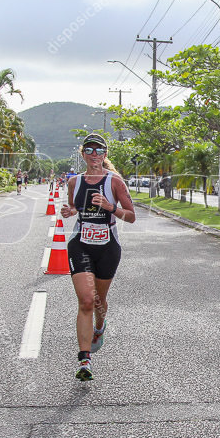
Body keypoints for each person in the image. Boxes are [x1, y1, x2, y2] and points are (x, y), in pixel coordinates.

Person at [61, 134, 136, 381]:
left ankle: (100, 326)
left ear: (105, 154)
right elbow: (75, 207)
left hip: (107, 246)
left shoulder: (115, 182)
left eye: (99, 149)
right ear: (83, 154)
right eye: (89, 150)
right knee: (85, 300)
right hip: (80, 244)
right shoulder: (75, 182)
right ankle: (85, 360)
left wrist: (109, 207)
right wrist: (69, 210)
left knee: (98, 302)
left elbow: (131, 216)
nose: (94, 154)